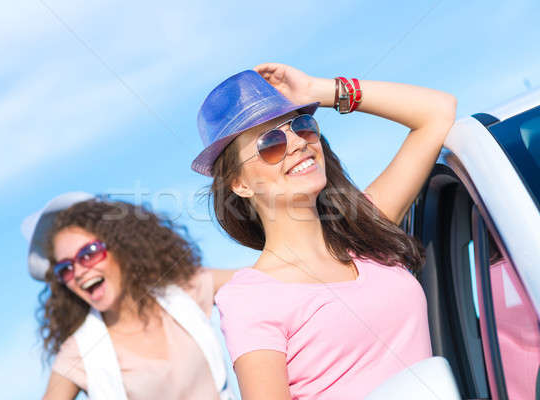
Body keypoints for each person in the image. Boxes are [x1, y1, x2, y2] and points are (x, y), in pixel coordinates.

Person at [191, 64, 457, 399]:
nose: (297, 144)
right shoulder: (250, 297)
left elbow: (438, 111)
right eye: (269, 143)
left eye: (301, 127)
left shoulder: (365, 230)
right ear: (240, 183)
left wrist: (317, 90)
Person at [21, 192, 237, 400]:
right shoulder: (77, 353)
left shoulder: (184, 291)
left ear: (120, 246)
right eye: (65, 268)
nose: (78, 272)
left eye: (89, 254)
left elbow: (261, 278)